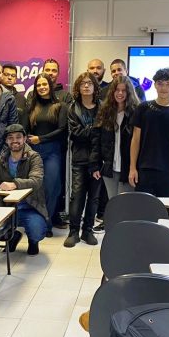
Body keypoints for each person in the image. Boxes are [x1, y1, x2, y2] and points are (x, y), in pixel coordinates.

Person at [128, 68, 169, 197]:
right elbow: (135, 140)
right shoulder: (143, 108)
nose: (164, 88)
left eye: (168, 84)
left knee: (165, 207)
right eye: (160, 83)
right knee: (144, 206)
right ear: (155, 85)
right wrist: (132, 168)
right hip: (145, 168)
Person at [0, 124, 48, 256]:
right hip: (9, 208)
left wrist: (14, 184)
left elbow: (36, 181)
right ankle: (13, 235)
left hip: (30, 206)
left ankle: (33, 241)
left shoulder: (34, 157)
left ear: (24, 139)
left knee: (37, 231)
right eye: (10, 138)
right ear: (6, 141)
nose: (15, 141)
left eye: (18, 137)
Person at [24, 73, 68, 234]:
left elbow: (62, 130)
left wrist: (40, 139)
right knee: (35, 189)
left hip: (52, 152)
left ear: (50, 86)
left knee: (51, 188)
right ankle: (35, 224)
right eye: (38, 85)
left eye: (44, 84)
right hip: (33, 153)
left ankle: (47, 223)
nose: (42, 87)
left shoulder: (61, 106)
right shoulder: (31, 107)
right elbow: (24, 130)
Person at [92, 75, 140, 210]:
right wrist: (95, 165)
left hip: (128, 168)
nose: (120, 93)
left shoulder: (136, 112)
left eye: (124, 90)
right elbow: (96, 140)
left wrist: (136, 168)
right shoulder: (104, 111)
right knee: (113, 205)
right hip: (109, 168)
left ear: (129, 92)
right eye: (117, 90)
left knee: (125, 207)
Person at [65, 72, 101, 247]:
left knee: (94, 197)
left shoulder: (103, 107)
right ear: (78, 88)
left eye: (89, 83)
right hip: (79, 158)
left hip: (98, 160)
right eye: (82, 83)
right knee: (77, 196)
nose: (86, 86)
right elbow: (76, 134)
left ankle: (88, 230)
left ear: (95, 87)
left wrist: (91, 131)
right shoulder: (73, 108)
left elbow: (104, 134)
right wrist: (94, 130)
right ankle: (73, 231)